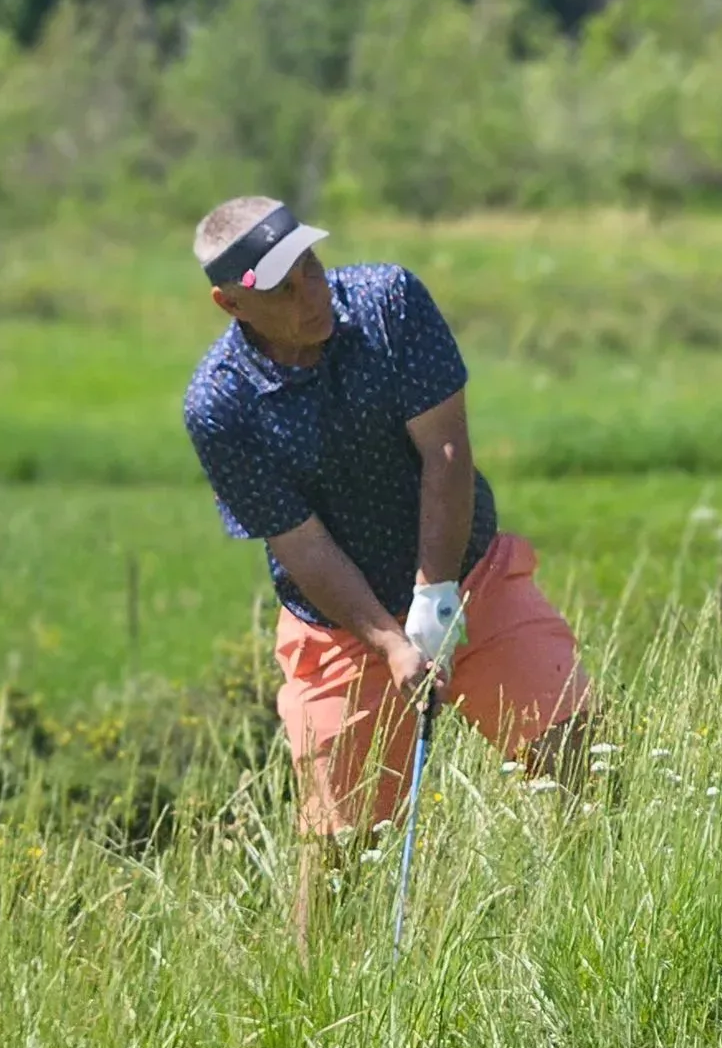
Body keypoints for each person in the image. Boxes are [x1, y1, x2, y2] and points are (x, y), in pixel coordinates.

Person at [181, 197, 589, 942]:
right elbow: (299, 545)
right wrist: (393, 641)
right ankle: (321, 1013)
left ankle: (602, 936)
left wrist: (434, 596)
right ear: (230, 302)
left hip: (471, 577)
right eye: (283, 288)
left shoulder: (389, 302)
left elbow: (447, 453)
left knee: (583, 761)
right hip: (338, 628)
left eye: (310, 265)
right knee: (340, 848)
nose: (312, 292)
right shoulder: (221, 404)